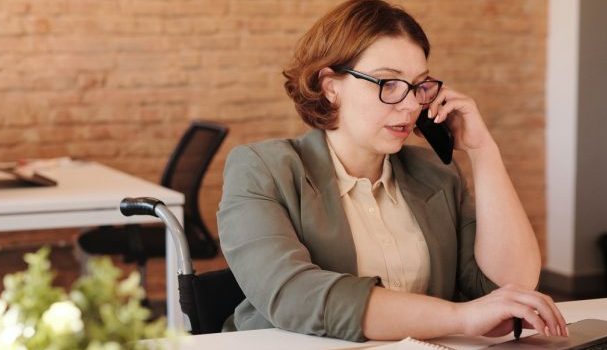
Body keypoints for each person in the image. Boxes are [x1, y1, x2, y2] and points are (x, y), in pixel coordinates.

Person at [217, 0, 567, 342]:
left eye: (419, 85)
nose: (412, 103)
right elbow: (293, 295)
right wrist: (461, 317)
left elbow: (510, 286)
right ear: (331, 86)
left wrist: (482, 150)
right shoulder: (261, 169)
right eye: (389, 83)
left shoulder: (434, 173)